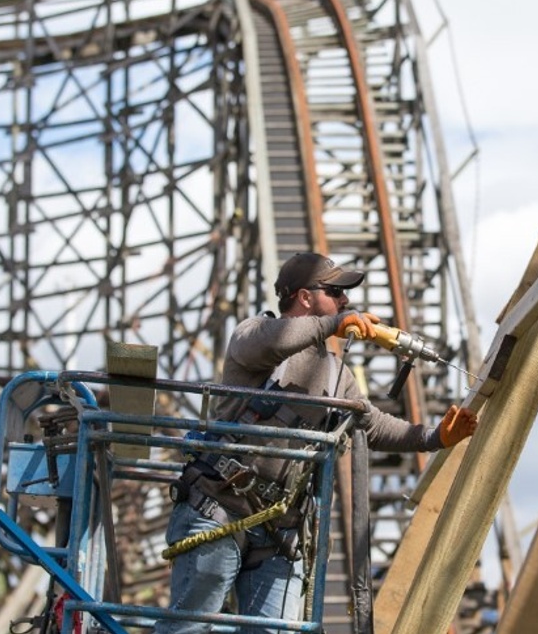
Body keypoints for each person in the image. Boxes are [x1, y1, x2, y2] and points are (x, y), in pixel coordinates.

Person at [157, 252, 477, 633]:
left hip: (278, 532)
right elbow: (278, 340)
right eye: (336, 292)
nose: (345, 301)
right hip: (217, 507)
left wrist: (434, 437)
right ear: (305, 297)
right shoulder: (254, 334)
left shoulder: (333, 372)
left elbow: (370, 425)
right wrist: (333, 324)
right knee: (188, 628)